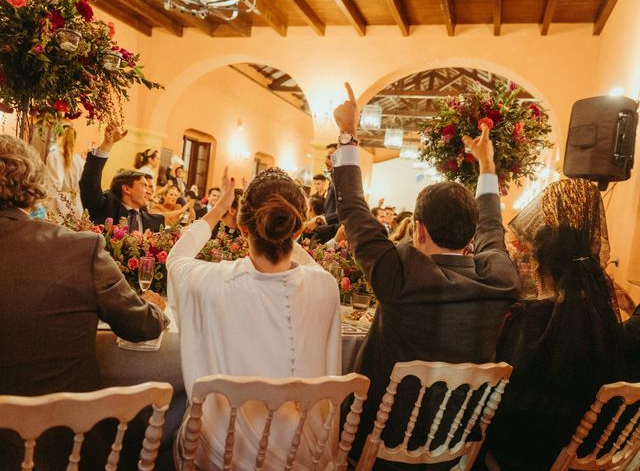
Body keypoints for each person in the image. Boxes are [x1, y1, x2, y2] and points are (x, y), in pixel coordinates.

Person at [331, 83, 519, 468]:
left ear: (417, 229)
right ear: (472, 238)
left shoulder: (400, 277)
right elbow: (493, 229)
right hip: (448, 452)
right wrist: (487, 165)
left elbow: (352, 209)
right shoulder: (501, 282)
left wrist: (349, 134)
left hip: (375, 448)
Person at [0, 134, 168, 468]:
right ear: (33, 180)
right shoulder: (78, 248)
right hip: (60, 446)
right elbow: (140, 327)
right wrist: (156, 310)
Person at [167, 167, 341, 469]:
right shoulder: (325, 286)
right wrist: (285, 233)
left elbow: (176, 259)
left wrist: (220, 208)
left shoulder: (212, 281)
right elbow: (309, 265)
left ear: (243, 229)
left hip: (224, 456)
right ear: (297, 230)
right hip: (305, 455)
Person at [482, 178, 628, 471]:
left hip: (529, 454)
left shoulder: (536, 319)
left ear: (542, 266)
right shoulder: (602, 315)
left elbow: (507, 392)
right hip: (581, 450)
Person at [79, 125, 165, 232]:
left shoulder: (155, 222)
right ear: (127, 189)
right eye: (144, 186)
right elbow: (89, 183)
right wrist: (107, 144)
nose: (149, 192)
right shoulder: (106, 207)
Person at [46, 124, 85, 220]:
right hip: (76, 201)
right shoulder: (79, 160)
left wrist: (45, 202)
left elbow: (55, 183)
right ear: (74, 140)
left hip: (60, 201)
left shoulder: (55, 156)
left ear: (58, 137)